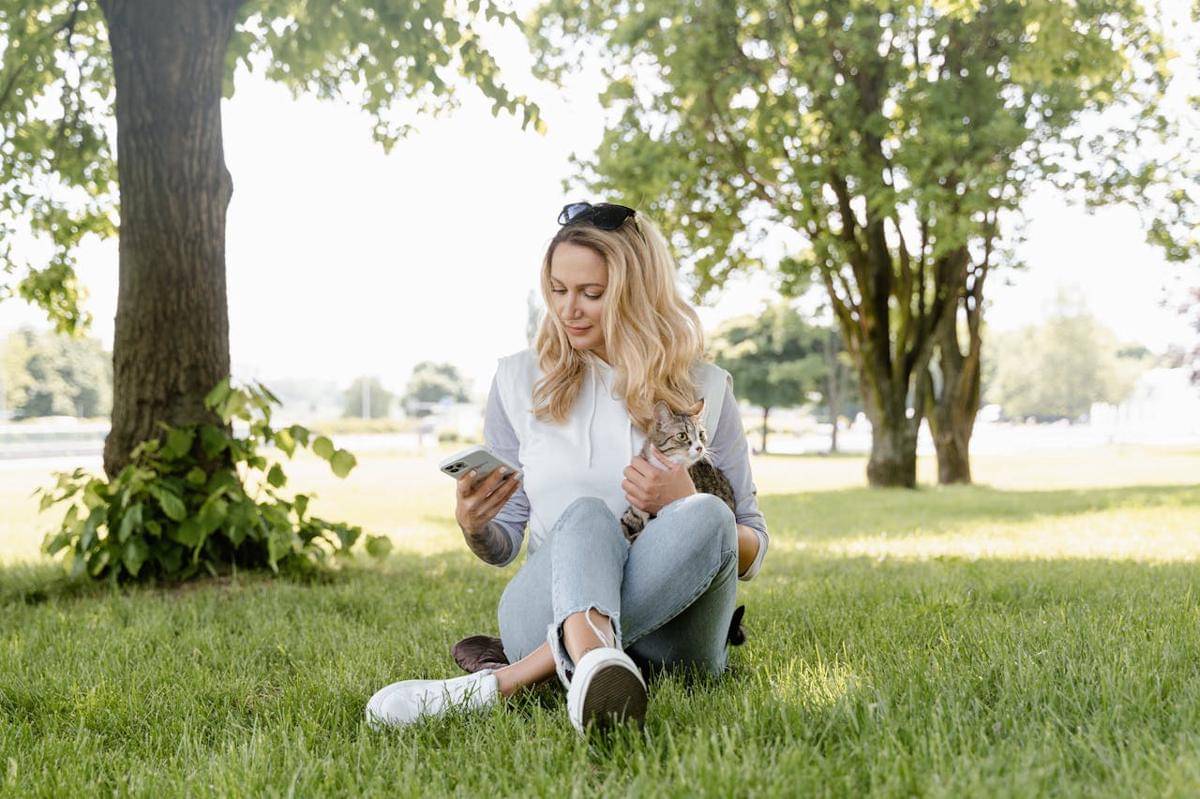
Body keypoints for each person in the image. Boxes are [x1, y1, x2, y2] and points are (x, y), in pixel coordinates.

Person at [366, 202, 770, 735]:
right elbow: (503, 544)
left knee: (711, 516)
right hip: (543, 606)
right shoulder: (518, 380)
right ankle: (594, 658)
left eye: (592, 294)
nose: (568, 309)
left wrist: (681, 501)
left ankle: (513, 681)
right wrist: (475, 525)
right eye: (557, 290)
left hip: (674, 637)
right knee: (585, 516)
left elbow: (751, 549)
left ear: (636, 294)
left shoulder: (706, 388)